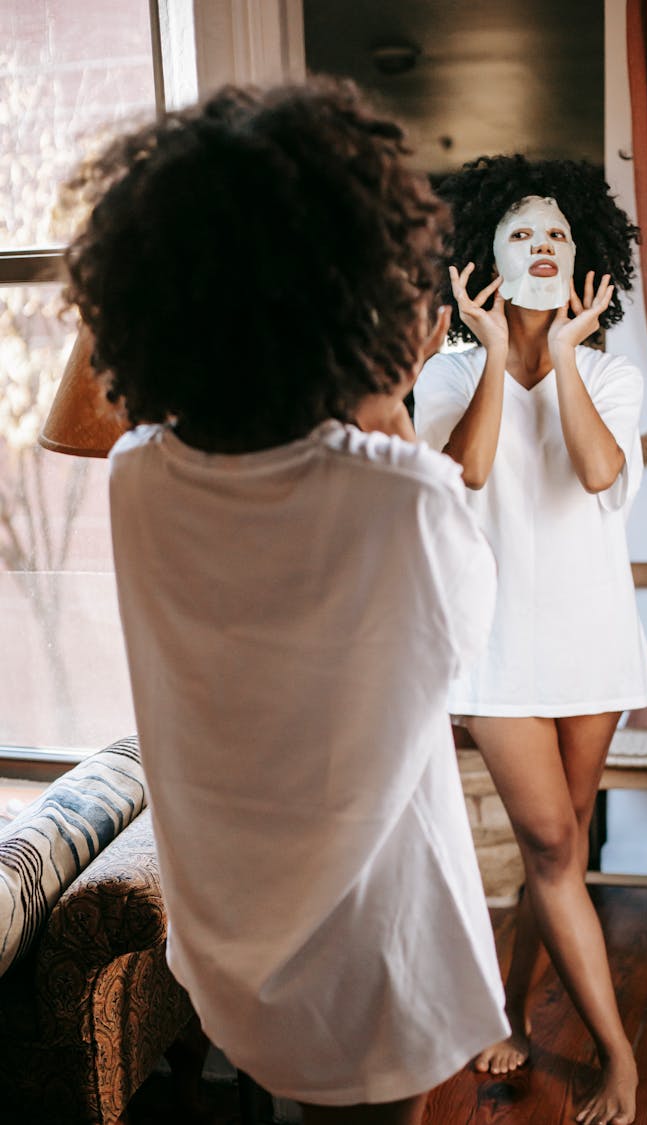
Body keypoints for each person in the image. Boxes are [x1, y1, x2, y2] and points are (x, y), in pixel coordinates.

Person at [62, 80, 510, 1125]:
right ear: (357, 296)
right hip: (372, 950)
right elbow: (459, 649)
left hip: (230, 939)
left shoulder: (136, 475)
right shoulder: (404, 499)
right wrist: (390, 394)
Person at [414, 154, 647, 1125]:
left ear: (584, 258)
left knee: (550, 852)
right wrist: (484, 350)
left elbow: (600, 475)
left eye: (557, 234)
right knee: (557, 846)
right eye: (522, 233)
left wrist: (560, 354)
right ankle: (620, 1060)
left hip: (594, 643)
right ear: (486, 255)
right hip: (495, 650)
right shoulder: (449, 372)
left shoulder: (609, 370)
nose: (542, 246)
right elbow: (469, 472)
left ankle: (512, 1013)